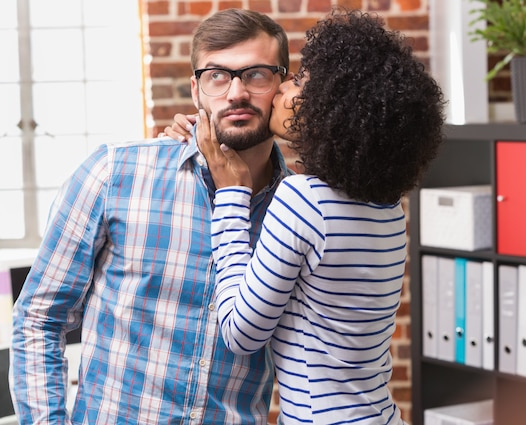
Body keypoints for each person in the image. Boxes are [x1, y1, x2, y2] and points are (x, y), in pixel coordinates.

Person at [9, 8, 294, 424]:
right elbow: (39, 318)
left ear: (281, 85)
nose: (236, 92)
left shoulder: (299, 210)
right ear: (196, 91)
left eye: (255, 75)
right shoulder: (114, 174)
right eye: (217, 75)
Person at [172, 8, 445, 425]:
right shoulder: (388, 209)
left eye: (300, 83)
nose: (283, 89)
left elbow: (240, 333)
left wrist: (231, 194)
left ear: (333, 109)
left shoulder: (303, 198)